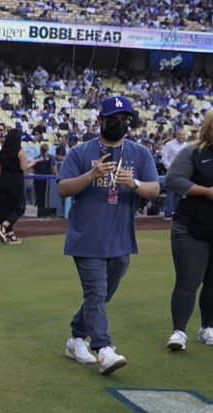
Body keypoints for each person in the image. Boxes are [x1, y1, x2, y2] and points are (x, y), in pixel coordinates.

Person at [57, 96, 160, 374]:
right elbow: (63, 188)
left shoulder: (139, 153)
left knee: (100, 296)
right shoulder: (80, 152)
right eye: (113, 119)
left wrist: (134, 182)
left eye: (124, 119)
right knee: (96, 293)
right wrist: (90, 175)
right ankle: (104, 349)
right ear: (100, 120)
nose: (119, 124)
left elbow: (154, 190)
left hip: (121, 239)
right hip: (87, 238)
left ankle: (76, 338)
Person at [163, 110, 213, 351]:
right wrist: (206, 191)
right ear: (208, 127)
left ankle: (208, 328)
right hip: (190, 227)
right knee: (188, 282)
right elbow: (173, 179)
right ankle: (179, 331)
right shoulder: (193, 152)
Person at [0, 128, 36, 244]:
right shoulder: (20, 151)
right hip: (15, 180)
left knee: (6, 208)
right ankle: (3, 226)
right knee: (19, 207)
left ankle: (10, 234)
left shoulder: (2, 151)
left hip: (3, 180)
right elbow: (23, 167)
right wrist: (32, 163)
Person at [161, 127, 188, 219]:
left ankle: (176, 212)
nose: (181, 136)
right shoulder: (169, 144)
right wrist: (171, 168)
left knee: (180, 194)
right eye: (179, 135)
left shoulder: (186, 145)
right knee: (171, 193)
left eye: (183, 135)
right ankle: (168, 213)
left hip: (184, 173)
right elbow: (164, 158)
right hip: (172, 172)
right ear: (176, 135)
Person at [32, 143, 57, 210]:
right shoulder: (51, 158)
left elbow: (33, 171)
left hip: (37, 180)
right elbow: (54, 170)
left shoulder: (36, 158)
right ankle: (46, 212)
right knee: (46, 197)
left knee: (39, 197)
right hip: (48, 181)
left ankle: (40, 211)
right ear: (48, 149)